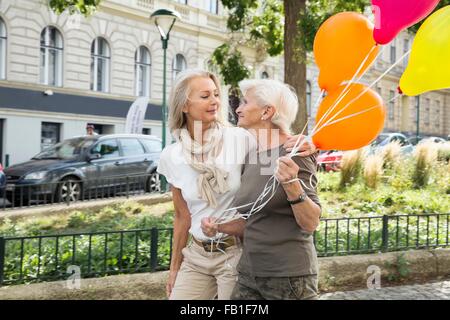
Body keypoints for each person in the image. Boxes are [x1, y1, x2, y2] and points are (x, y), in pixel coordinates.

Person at [157, 69, 316, 300]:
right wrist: (174, 269)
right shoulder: (171, 156)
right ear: (184, 106)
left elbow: (276, 139)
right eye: (205, 96)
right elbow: (182, 217)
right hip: (197, 253)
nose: (215, 102)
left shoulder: (240, 138)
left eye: (216, 94)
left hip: (234, 252)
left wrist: (305, 142)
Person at [201, 79, 322, 300]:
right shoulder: (252, 155)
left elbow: (311, 222)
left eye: (245, 102)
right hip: (249, 273)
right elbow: (255, 218)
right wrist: (219, 227)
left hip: (289, 278)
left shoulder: (295, 152)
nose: (238, 108)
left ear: (267, 111)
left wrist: (292, 184)